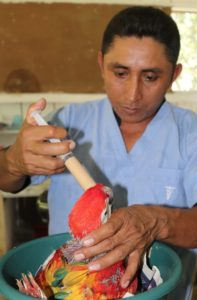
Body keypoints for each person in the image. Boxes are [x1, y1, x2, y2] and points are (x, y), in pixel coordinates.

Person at [0, 6, 197, 299]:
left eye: (151, 77)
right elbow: (7, 179)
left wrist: (155, 220)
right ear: (101, 64)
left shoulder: (190, 134)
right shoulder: (69, 123)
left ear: (174, 75)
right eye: (120, 73)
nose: (132, 95)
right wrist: (13, 162)